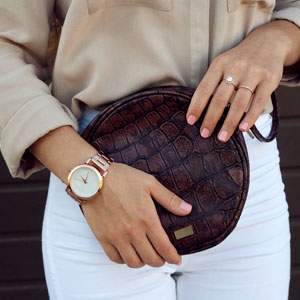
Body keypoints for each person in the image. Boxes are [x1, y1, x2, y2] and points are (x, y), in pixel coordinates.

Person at [1, 1, 300, 299]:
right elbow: (6, 49)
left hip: (248, 196)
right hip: (104, 189)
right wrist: (92, 178)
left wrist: (279, 37)